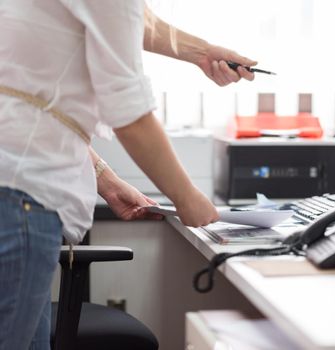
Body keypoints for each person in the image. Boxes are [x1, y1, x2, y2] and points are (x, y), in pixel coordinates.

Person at [0, 1, 257, 349]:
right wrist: (187, 197)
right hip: (18, 201)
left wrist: (202, 52)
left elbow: (30, 106)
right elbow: (129, 112)